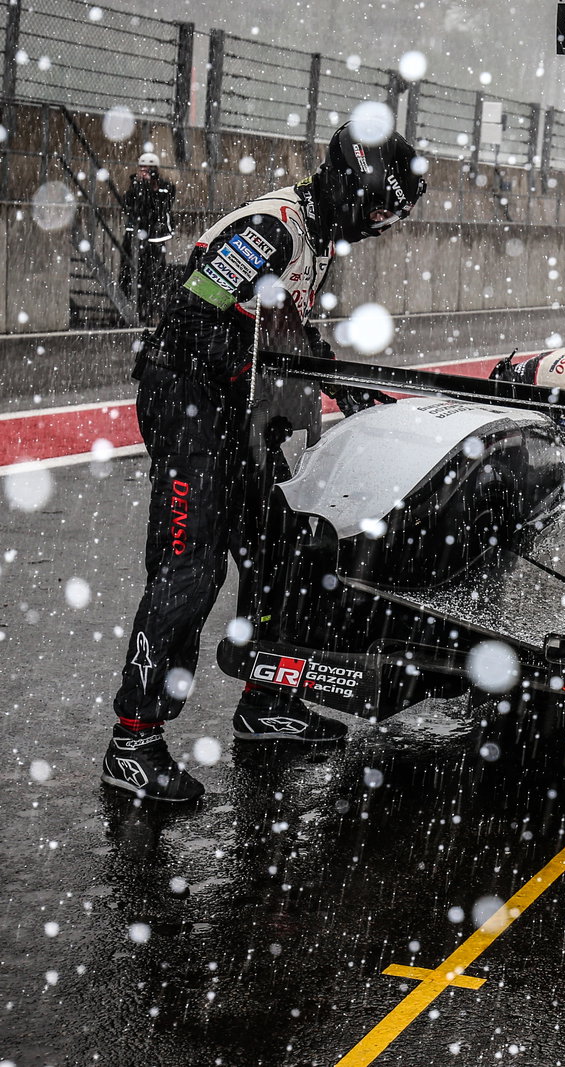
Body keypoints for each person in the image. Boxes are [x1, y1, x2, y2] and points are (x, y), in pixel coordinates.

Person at [101, 122, 426, 803]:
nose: (375, 225)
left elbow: (286, 330)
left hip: (231, 405)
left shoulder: (313, 236)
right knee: (191, 562)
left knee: (282, 541)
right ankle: (133, 739)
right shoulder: (273, 228)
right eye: (375, 209)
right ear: (349, 183)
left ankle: (267, 698)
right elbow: (188, 316)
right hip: (187, 396)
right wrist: (253, 371)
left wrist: (341, 382)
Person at [121, 152, 177, 322]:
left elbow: (158, 207)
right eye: (143, 168)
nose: (147, 172)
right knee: (129, 273)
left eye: (150, 169)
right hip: (136, 235)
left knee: (153, 275)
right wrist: (138, 184)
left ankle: (152, 310)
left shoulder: (165, 186)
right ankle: (131, 309)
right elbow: (131, 206)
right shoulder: (134, 184)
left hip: (156, 237)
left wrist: (150, 187)